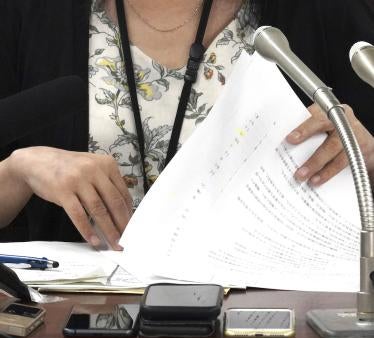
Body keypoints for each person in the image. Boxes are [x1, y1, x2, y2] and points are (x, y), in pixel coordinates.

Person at [0, 0, 373, 248]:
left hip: (273, 333)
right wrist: (17, 171)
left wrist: (367, 155)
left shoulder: (324, 10)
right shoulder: (26, 13)